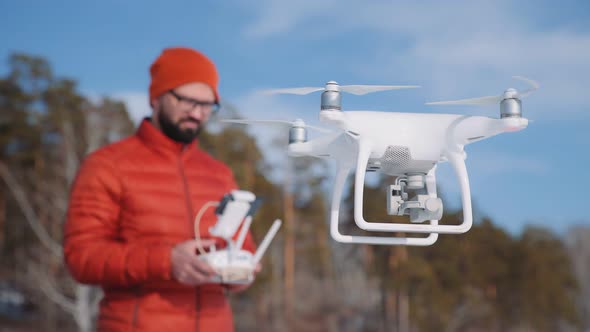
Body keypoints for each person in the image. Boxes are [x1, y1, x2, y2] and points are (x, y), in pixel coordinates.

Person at [63, 47, 258, 332]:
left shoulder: (218, 173)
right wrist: (165, 261)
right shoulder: (107, 165)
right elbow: (82, 258)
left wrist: (241, 270)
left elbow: (243, 248)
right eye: (187, 101)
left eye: (207, 105)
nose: (197, 113)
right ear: (156, 97)